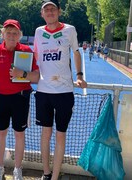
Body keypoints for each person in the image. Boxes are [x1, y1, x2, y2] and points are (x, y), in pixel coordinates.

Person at [33, 0, 87, 179]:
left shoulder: (69, 30)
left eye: (53, 9)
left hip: (64, 92)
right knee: (45, 134)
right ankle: (46, 173)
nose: (49, 12)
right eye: (46, 9)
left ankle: (55, 176)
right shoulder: (38, 32)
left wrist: (79, 76)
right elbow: (34, 58)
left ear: (59, 12)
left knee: (60, 135)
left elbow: (76, 53)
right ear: (42, 14)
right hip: (43, 92)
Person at [0, 19, 39, 180]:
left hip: (20, 98)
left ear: (19, 36)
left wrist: (20, 74)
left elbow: (36, 77)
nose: (11, 36)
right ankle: (0, 168)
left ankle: (17, 169)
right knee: (0, 134)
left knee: (19, 135)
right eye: (8, 32)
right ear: (3, 34)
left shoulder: (26, 51)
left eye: (15, 33)